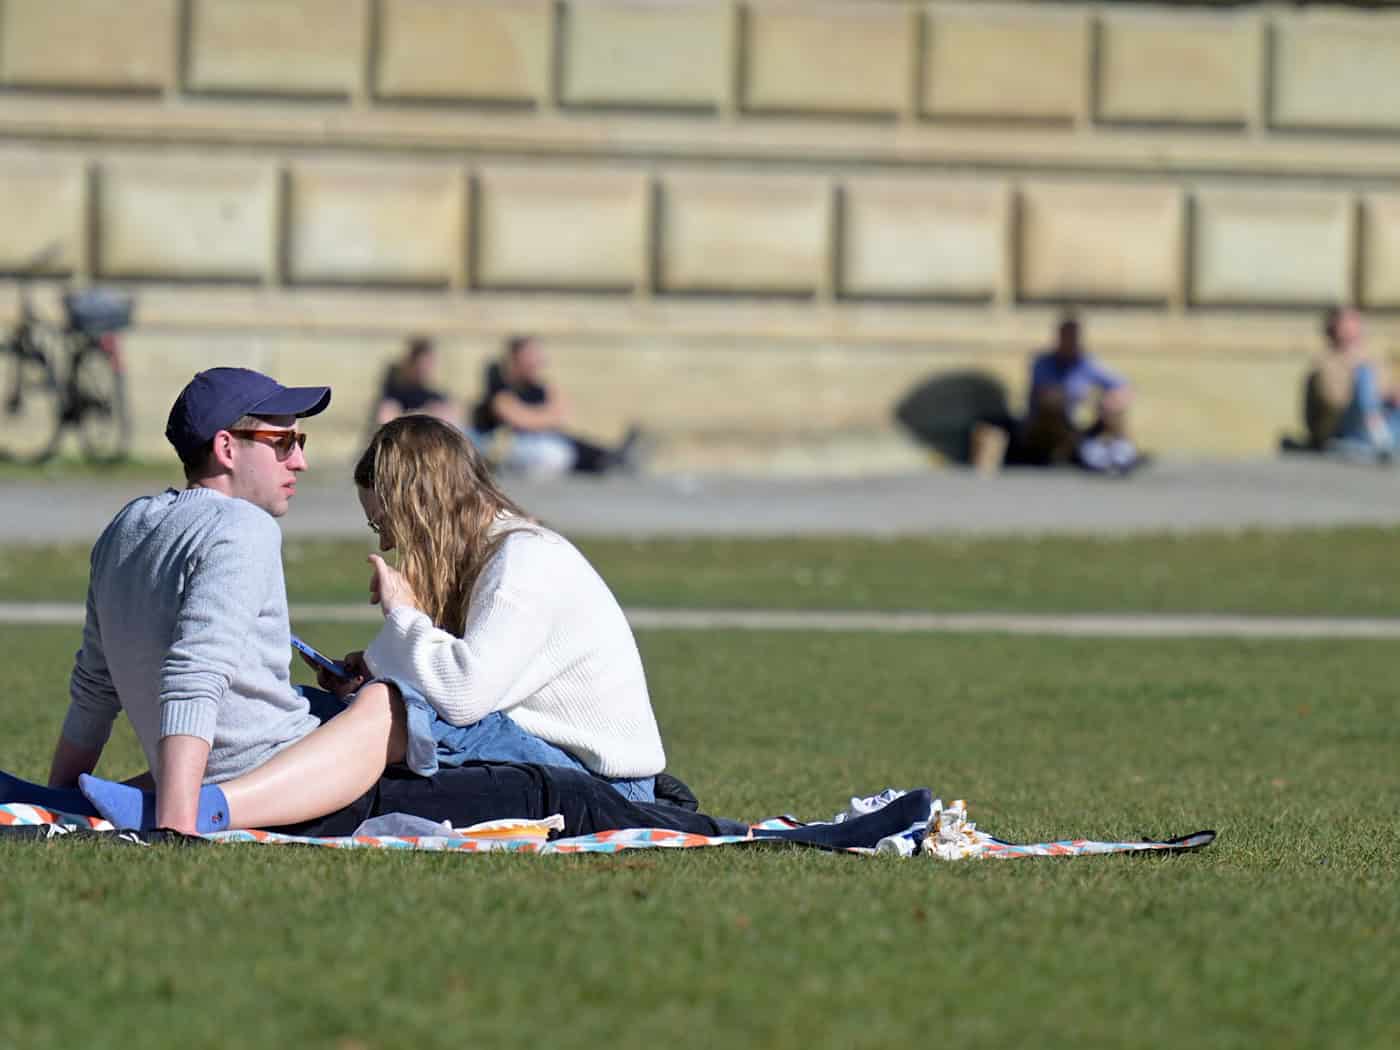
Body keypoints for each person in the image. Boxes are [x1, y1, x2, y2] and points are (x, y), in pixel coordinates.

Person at [344, 414, 665, 801]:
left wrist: (403, 615)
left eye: (383, 524)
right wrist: (376, 670)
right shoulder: (493, 555)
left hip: (610, 786)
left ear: (419, 507)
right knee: (380, 713)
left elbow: (463, 697)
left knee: (405, 717)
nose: (385, 545)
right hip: (562, 764)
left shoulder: (525, 559)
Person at [970, 314, 1142, 475]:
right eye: (1066, 337)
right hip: (1039, 428)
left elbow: (1123, 386)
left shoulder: (1087, 363)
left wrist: (1110, 400)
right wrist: (1078, 397)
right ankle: (1068, 451)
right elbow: (1046, 395)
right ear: (1058, 338)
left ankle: (1120, 452)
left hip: (1076, 423)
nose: (1070, 342)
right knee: (1053, 403)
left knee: (1114, 403)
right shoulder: (1043, 363)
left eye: (1073, 337)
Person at [469, 334, 643, 476]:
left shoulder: (538, 387)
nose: (538, 361)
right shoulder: (500, 387)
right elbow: (521, 420)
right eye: (531, 356)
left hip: (542, 441)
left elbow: (562, 412)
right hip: (506, 448)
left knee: (568, 442)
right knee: (554, 452)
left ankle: (611, 457)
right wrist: (545, 417)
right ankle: (609, 460)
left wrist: (543, 415)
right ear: (515, 358)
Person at [1303, 306, 1400, 460]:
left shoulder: (1373, 359)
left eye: (1356, 322)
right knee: (1364, 376)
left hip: (1377, 422)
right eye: (1347, 323)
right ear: (1334, 328)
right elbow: (1335, 403)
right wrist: (1374, 396)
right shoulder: (1324, 363)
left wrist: (1392, 396)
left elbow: (1387, 389)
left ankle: (1382, 437)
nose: (1353, 328)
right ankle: (1380, 437)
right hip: (1341, 428)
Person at [375, 335, 458, 427]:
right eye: (420, 366)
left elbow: (452, 422)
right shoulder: (394, 397)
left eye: (428, 365)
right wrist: (424, 414)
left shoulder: (437, 398)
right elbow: (387, 420)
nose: (425, 370)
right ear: (410, 364)